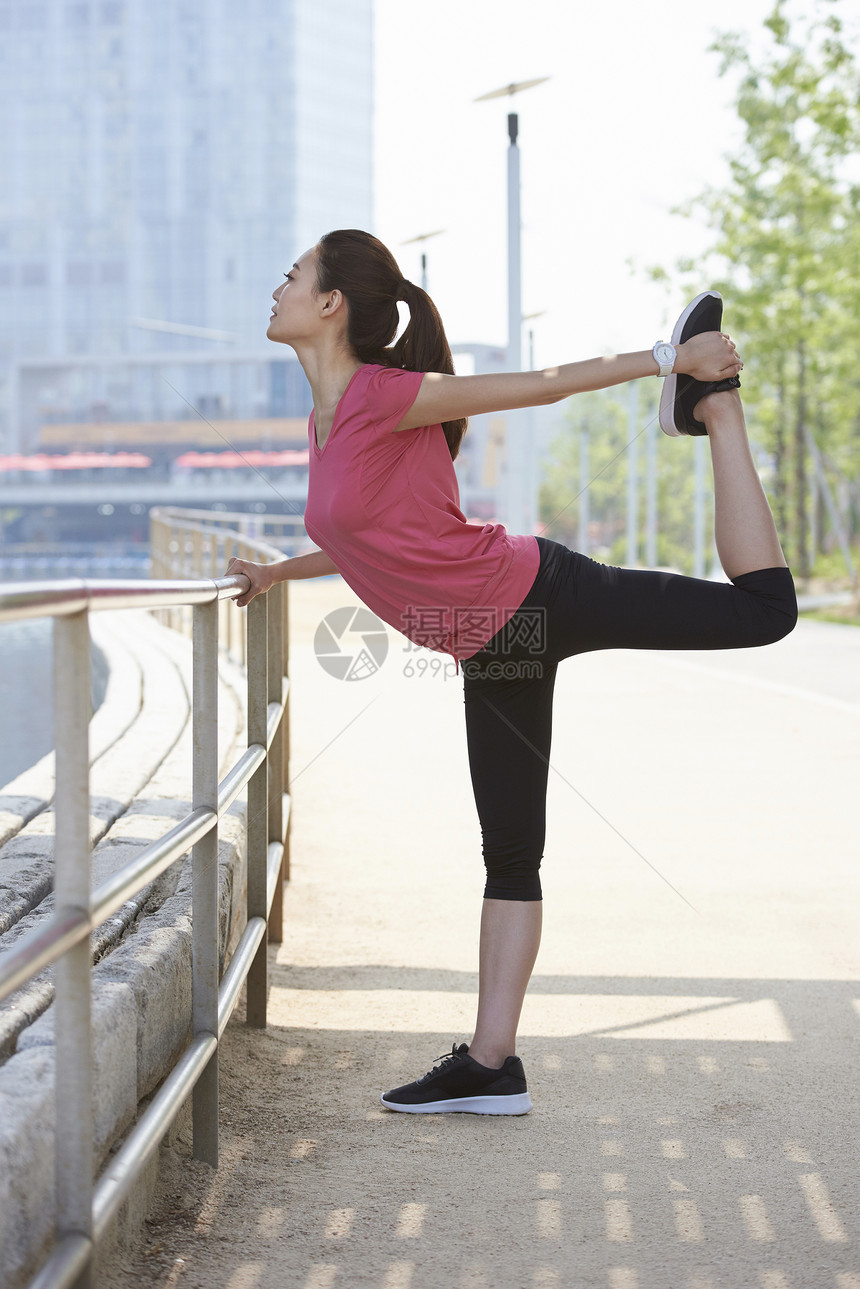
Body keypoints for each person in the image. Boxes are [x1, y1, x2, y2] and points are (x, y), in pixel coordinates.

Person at [225, 229, 797, 1116]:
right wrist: (273, 573)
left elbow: (542, 385)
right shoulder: (326, 418)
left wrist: (667, 358)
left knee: (764, 614)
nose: (279, 284)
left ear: (332, 303)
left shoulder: (390, 396)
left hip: (536, 593)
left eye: (292, 273)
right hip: (488, 642)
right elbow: (361, 536)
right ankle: (493, 1064)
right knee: (509, 851)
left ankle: (714, 409)